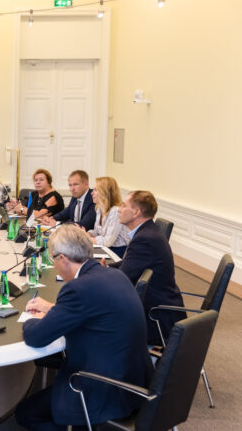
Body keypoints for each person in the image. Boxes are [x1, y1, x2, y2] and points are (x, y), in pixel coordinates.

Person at [16, 225, 152, 430]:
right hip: (135, 383)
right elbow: (93, 311)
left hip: (103, 390)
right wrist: (53, 310)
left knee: (26, 413)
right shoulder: (114, 274)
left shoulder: (77, 289)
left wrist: (30, 318)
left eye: (53, 259)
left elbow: (35, 337)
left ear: (63, 258)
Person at [109, 190, 185, 344]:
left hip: (155, 319)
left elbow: (122, 280)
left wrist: (95, 274)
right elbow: (129, 263)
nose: (119, 209)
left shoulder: (145, 239)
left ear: (136, 212)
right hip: (155, 307)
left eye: (123, 205)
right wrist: (106, 268)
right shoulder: (147, 231)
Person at [87, 177, 130, 257]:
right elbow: (97, 232)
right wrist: (89, 233)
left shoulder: (116, 211)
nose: (92, 193)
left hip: (118, 251)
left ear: (105, 193)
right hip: (106, 248)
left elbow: (108, 241)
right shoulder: (99, 208)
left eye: (95, 190)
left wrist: (87, 239)